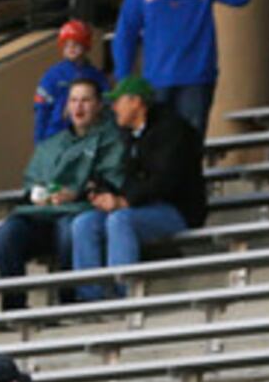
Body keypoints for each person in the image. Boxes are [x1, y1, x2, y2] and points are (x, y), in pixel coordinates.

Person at [0, 74, 124, 311]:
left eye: (85, 100)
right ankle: (13, 308)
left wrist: (77, 194)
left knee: (69, 230)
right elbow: (31, 183)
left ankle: (68, 301)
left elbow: (111, 181)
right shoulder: (52, 144)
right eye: (73, 100)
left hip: (79, 212)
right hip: (42, 215)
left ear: (98, 105)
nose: (78, 106)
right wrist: (40, 195)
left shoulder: (112, 139)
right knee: (6, 233)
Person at [71, 77, 207, 298]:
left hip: (175, 209)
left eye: (118, 101)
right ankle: (90, 301)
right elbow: (109, 172)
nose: (113, 108)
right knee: (83, 223)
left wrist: (125, 201)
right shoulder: (122, 134)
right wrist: (98, 193)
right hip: (137, 206)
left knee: (120, 220)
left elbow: (165, 181)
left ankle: (124, 298)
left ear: (136, 102)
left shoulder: (173, 130)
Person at [114, 0, 253, 134]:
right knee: (157, 144)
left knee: (191, 144)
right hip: (156, 80)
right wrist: (124, 80)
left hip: (197, 78)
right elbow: (126, 32)